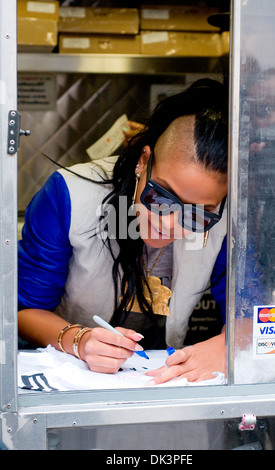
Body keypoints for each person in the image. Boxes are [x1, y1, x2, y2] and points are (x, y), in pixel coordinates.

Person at [18, 79, 228, 385]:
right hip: (74, 375)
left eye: (196, 215)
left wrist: (227, 344)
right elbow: (25, 311)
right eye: (160, 198)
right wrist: (79, 340)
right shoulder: (71, 196)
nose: (169, 224)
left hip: (159, 375)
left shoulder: (225, 215)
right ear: (143, 161)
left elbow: (251, 309)